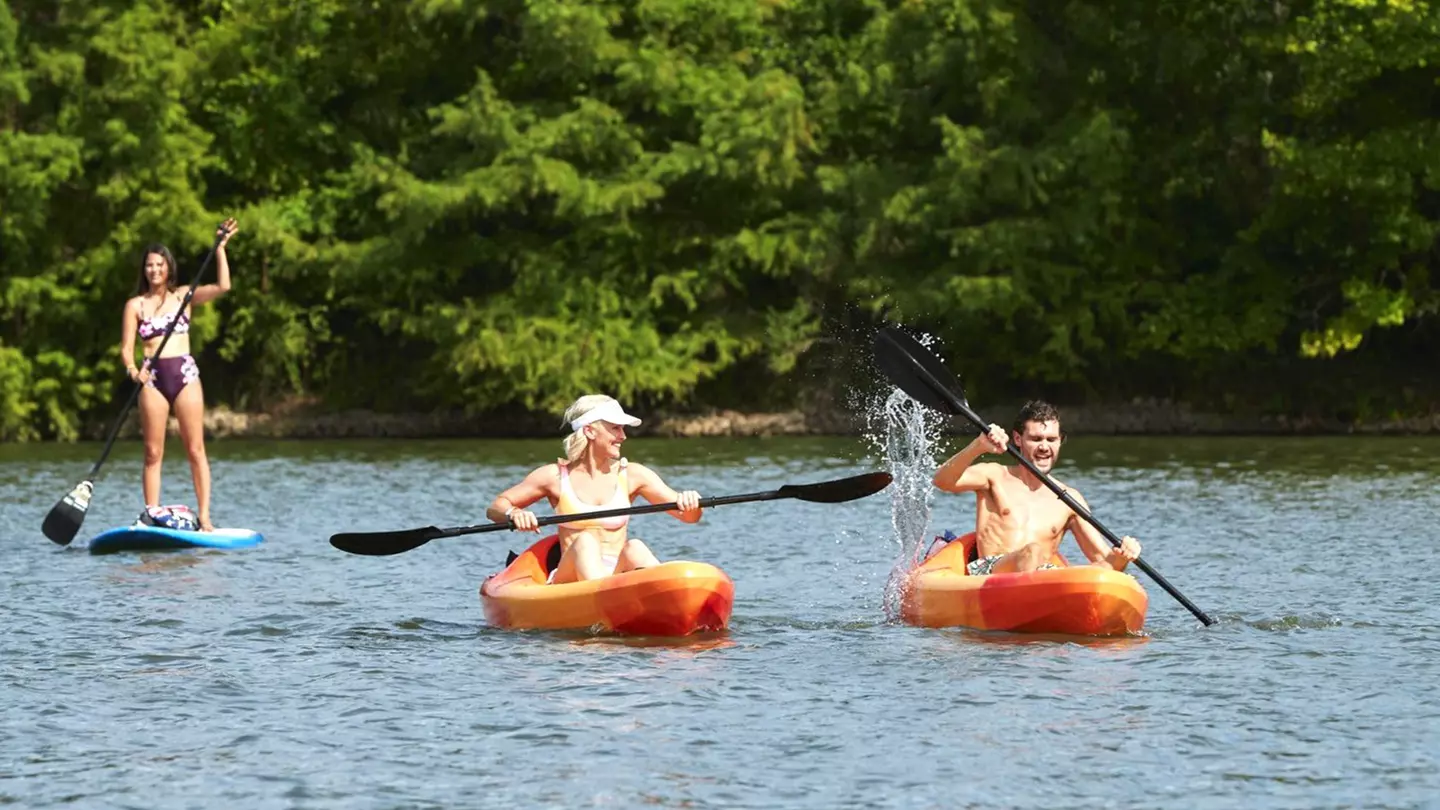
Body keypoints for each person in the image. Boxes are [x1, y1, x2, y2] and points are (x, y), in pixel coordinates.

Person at [486, 395, 703, 582]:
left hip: (614, 577)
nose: (623, 436)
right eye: (615, 428)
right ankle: (604, 599)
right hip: (569, 580)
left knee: (635, 547)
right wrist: (513, 513)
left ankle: (666, 598)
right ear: (590, 431)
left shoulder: (633, 475)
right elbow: (496, 507)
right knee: (585, 541)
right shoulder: (554, 476)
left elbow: (689, 517)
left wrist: (690, 502)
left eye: (623, 429)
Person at [119, 219, 238, 532]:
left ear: (168, 268)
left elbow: (224, 287)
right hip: (152, 379)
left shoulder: (184, 296)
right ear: (143, 270)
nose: (154, 270)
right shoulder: (135, 305)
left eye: (159, 265)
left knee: (195, 449)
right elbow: (125, 349)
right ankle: (151, 514)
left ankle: (205, 517)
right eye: (149, 266)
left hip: (184, 375)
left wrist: (221, 249)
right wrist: (133, 370)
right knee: (152, 452)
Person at [931, 399, 1141, 575]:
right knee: (1032, 551)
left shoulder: (1070, 499)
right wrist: (978, 446)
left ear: (1060, 441)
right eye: (1036, 439)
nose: (1044, 447)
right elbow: (942, 481)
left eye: (1051, 439)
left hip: (1041, 576)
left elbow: (1103, 561)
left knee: (1055, 561)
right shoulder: (994, 475)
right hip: (989, 573)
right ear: (1017, 439)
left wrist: (1123, 556)